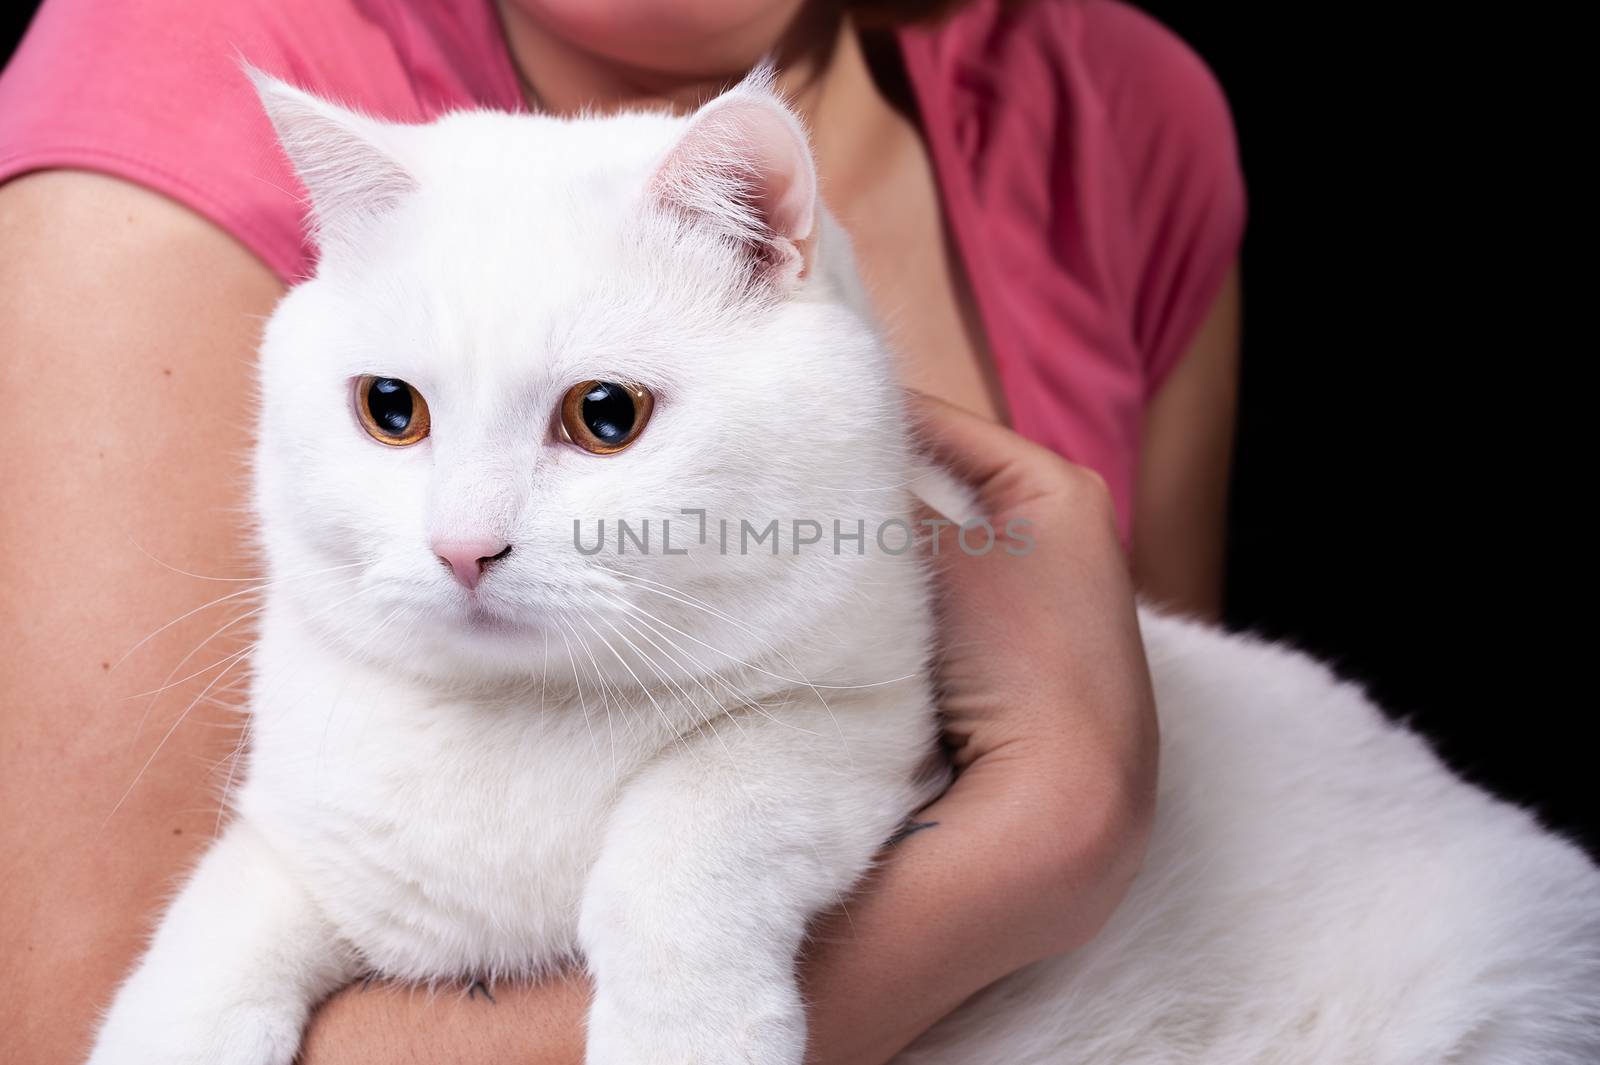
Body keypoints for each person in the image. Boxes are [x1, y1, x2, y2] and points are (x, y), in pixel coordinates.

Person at [0, 0, 1244, 1061]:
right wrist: (1046, 836)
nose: (465, 536)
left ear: (765, 231)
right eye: (396, 411)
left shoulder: (1108, 106)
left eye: (601, 416)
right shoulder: (182, 60)